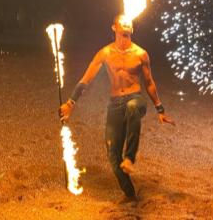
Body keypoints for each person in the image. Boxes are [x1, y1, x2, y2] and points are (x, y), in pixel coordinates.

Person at [59, 15, 175, 203]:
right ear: (114, 27)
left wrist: (160, 109)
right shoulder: (105, 53)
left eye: (129, 21)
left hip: (136, 99)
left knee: (132, 107)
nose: (127, 23)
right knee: (113, 155)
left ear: (132, 29)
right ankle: (130, 194)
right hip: (115, 104)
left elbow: (149, 83)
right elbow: (86, 79)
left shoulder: (140, 54)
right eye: (123, 21)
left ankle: (130, 157)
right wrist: (70, 103)